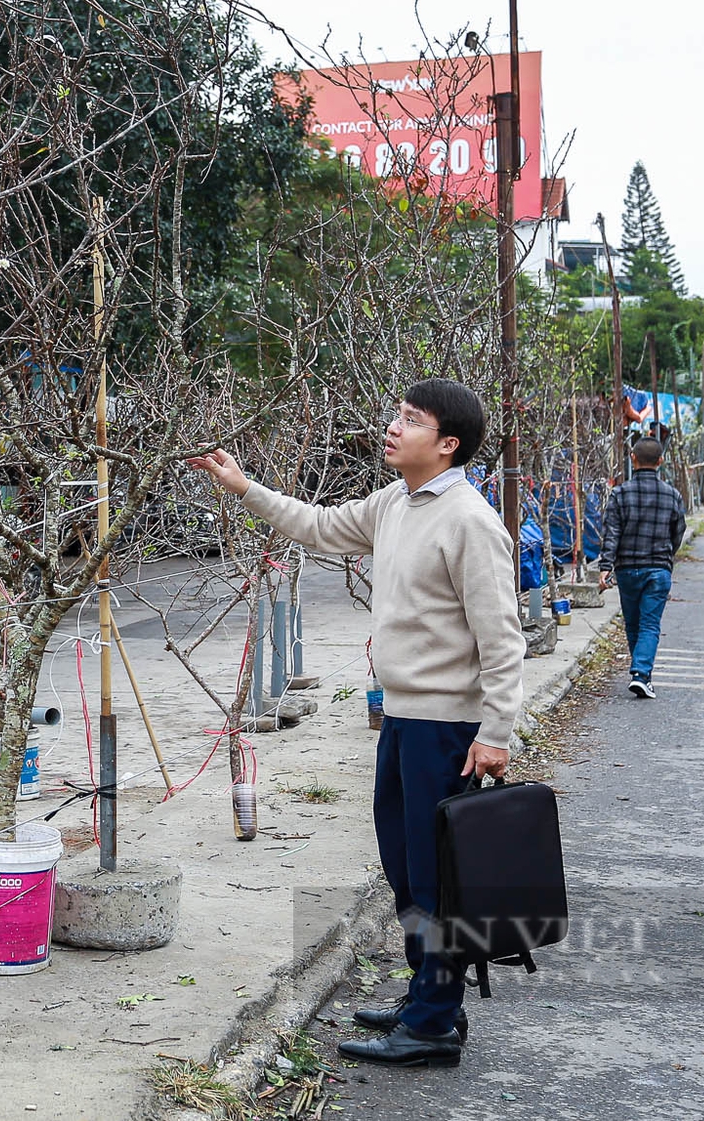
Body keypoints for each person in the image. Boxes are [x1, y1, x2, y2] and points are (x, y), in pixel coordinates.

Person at [188, 379, 523, 1070]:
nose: (393, 427)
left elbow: (503, 637)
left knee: (434, 879)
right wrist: (245, 487)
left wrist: (497, 730)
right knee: (407, 870)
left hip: (447, 730)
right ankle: (431, 1000)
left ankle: (431, 1025)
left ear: (448, 443)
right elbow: (316, 525)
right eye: (396, 414)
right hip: (402, 719)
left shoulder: (469, 520)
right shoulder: (394, 503)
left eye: (411, 419)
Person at [600, 437, 686, 698]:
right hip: (658, 570)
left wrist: (605, 566)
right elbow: (678, 532)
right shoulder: (672, 495)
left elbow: (611, 533)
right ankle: (641, 674)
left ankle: (640, 672)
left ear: (632, 458)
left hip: (627, 569)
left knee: (633, 624)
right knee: (650, 624)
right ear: (660, 461)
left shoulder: (619, 494)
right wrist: (666, 555)